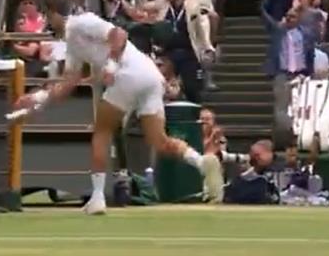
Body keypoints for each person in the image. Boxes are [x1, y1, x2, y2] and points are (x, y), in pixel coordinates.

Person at [13, 12, 222, 215]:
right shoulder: (72, 48)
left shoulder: (81, 22)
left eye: (49, 19)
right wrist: (37, 99)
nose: (48, 28)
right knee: (159, 141)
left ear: (57, 16)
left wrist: (111, 67)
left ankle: (98, 198)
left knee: (101, 131)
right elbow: (68, 84)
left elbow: (119, 34)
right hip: (150, 77)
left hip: (128, 75)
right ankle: (202, 162)